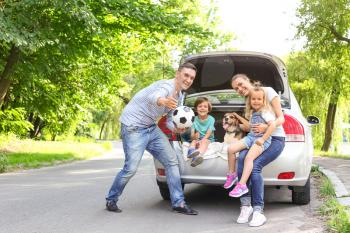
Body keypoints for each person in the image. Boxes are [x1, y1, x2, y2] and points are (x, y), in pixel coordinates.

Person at [105, 63, 198, 215]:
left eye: (192, 78)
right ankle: (111, 199)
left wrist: (176, 128)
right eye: (186, 75)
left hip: (150, 127)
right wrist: (163, 101)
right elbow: (152, 96)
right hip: (133, 127)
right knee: (130, 169)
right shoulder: (166, 86)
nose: (188, 79)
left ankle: (178, 203)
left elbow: (169, 119)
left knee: (172, 161)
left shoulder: (180, 96)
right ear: (177, 74)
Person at [230, 74, 286, 227]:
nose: (240, 89)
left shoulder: (267, 91)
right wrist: (237, 124)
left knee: (255, 166)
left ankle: (257, 211)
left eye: (241, 84)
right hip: (255, 138)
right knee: (241, 159)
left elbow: (281, 118)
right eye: (236, 88)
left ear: (248, 80)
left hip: (274, 139)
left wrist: (267, 127)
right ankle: (245, 206)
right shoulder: (249, 101)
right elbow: (251, 127)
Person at [224, 86, 276, 198]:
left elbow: (273, 125)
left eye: (259, 99)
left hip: (262, 139)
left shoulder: (265, 112)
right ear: (250, 101)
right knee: (230, 149)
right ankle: (232, 174)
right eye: (253, 99)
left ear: (263, 100)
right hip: (251, 137)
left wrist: (262, 139)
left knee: (248, 158)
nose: (256, 101)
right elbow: (249, 127)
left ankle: (242, 184)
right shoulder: (253, 112)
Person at [187, 97, 215, 167]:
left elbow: (209, 132)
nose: (202, 108)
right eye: (200, 106)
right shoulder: (194, 119)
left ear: (208, 110)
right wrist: (194, 137)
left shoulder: (211, 119)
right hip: (198, 139)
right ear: (196, 109)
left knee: (205, 141)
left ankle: (198, 154)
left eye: (205, 106)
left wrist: (201, 140)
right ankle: (191, 153)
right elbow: (192, 135)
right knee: (193, 142)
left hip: (208, 139)